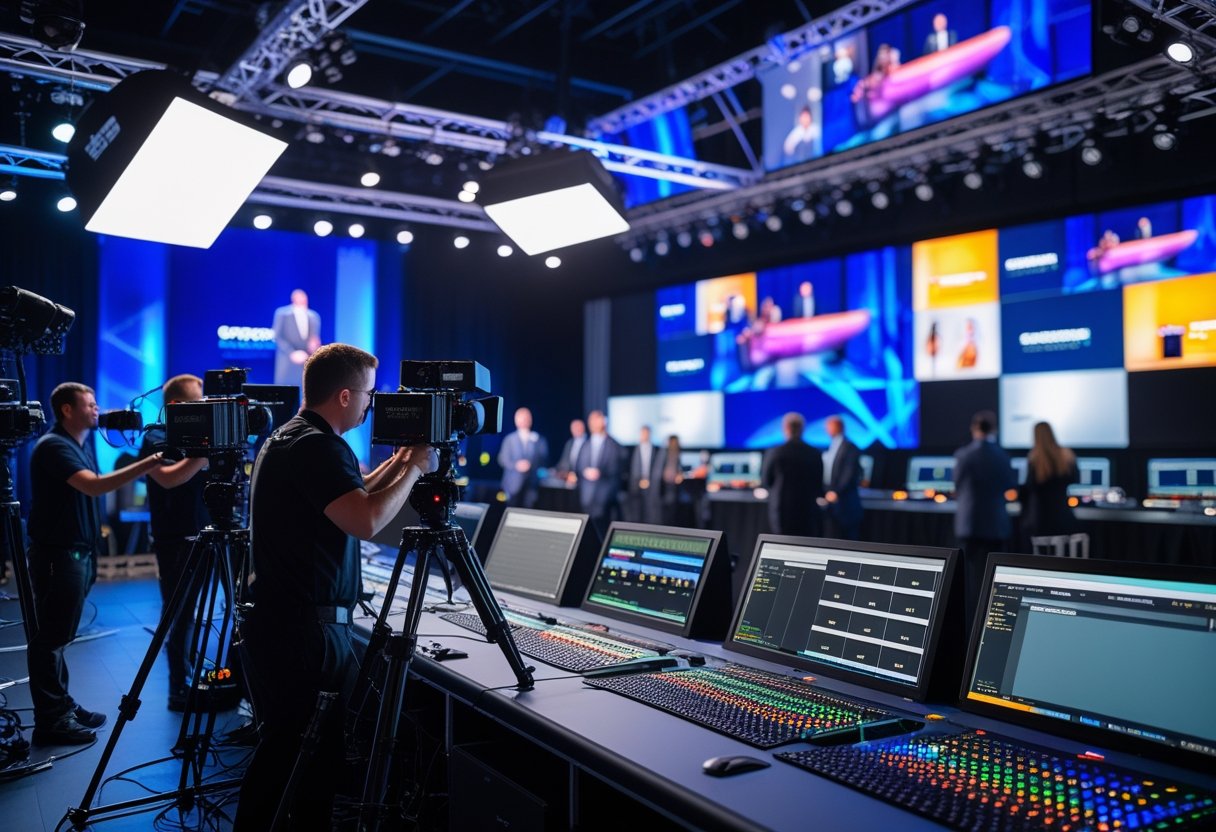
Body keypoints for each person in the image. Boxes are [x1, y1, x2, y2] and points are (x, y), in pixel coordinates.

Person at [234, 344, 437, 830]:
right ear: (344, 395)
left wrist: (402, 459)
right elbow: (365, 519)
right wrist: (414, 469)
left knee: (289, 753)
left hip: (284, 625)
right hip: (304, 634)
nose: (373, 405)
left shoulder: (293, 436)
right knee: (302, 761)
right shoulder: (317, 445)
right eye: (368, 394)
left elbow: (355, 489)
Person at [25, 383, 166, 745]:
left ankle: (62, 706)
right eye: (89, 404)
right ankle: (52, 720)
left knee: (59, 636)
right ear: (67, 410)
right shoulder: (54, 446)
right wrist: (148, 463)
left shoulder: (78, 444)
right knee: (50, 639)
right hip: (59, 555)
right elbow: (95, 487)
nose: (97, 409)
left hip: (76, 553)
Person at [139, 374, 211, 711]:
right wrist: (206, 452)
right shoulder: (154, 437)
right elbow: (169, 478)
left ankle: (202, 678)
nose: (204, 410)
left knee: (200, 615)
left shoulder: (201, 437)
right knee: (179, 615)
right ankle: (177, 690)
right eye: (198, 405)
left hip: (206, 533)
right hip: (176, 541)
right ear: (176, 407)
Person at [952, 410, 1016, 626]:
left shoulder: (963, 454)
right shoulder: (1002, 455)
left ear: (974, 429)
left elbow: (958, 485)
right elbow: (1009, 485)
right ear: (994, 430)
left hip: (970, 523)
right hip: (996, 524)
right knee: (994, 580)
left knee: (969, 578)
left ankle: (969, 623)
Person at [1019, 421, 1081, 549]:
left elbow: (1028, 488)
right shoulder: (1066, 456)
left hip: (1039, 520)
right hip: (1063, 518)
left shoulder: (1034, 459)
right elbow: (1075, 478)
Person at [761, 412, 824, 537]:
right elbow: (819, 482)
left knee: (783, 546)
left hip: (782, 510)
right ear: (803, 429)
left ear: (786, 429)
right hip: (808, 510)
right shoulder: (814, 453)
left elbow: (766, 481)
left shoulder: (775, 452)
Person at [575, 410, 622, 540]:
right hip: (587, 497)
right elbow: (578, 466)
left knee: (603, 533)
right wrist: (585, 471)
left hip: (604, 498)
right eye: (592, 420)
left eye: (597, 419)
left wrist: (600, 473)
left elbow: (616, 470)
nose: (594, 423)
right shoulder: (586, 444)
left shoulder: (613, 445)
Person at [822, 415, 864, 540]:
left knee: (848, 539)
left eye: (828, 426)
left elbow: (849, 473)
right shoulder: (831, 446)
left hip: (846, 503)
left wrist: (836, 492)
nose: (826, 430)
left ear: (837, 427)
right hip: (832, 503)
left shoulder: (850, 447)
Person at [497, 407, 548, 508]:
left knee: (529, 510)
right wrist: (516, 465)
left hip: (532, 484)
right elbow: (503, 459)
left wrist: (531, 464)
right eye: (522, 418)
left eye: (527, 418)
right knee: (511, 510)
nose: (525, 420)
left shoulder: (538, 439)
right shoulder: (509, 439)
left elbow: (544, 459)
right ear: (516, 420)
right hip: (513, 484)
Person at [272, 288, 322, 387]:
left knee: (307, 389)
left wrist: (313, 346)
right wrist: (291, 353)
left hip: (306, 361)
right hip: (287, 361)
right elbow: (278, 337)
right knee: (285, 393)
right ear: (293, 299)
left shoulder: (314, 316)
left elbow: (315, 338)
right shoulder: (282, 314)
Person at [625, 425, 664, 524]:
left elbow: (657, 468)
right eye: (643, 433)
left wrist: (649, 480)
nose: (644, 435)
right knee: (636, 512)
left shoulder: (657, 449)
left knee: (650, 512)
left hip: (652, 485)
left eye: (646, 433)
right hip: (635, 486)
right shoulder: (633, 449)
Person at [659, 434, 690, 527]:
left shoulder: (677, 455)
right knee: (669, 514)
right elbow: (667, 474)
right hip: (668, 489)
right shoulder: (666, 455)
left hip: (675, 491)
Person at [555, 418, 587, 484]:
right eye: (573, 428)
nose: (576, 429)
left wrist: (577, 476)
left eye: (578, 427)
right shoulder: (569, 443)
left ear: (583, 428)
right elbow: (563, 461)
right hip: (568, 479)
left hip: (583, 480)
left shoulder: (588, 443)